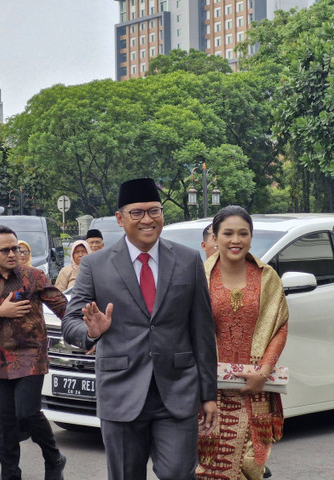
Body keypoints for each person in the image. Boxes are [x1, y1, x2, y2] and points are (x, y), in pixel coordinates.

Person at [62, 177, 218, 480]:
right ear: (120, 219)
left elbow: (202, 329)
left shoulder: (187, 260)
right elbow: (70, 323)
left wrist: (208, 393)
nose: (147, 220)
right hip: (121, 391)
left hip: (177, 391)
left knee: (178, 473)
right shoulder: (96, 264)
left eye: (154, 211)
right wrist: (93, 332)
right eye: (137, 213)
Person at [0, 225, 68, 480]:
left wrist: (87, 331)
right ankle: (10, 475)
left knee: (27, 412)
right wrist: (0, 312)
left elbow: (63, 308)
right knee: (4, 423)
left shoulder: (34, 277)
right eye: (6, 250)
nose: (13, 253)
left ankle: (53, 456)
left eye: (16, 248)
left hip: (31, 354)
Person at [197, 205, 288, 480]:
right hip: (212, 389)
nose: (235, 240)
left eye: (243, 233)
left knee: (250, 464)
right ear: (215, 236)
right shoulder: (199, 277)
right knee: (213, 464)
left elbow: (280, 327)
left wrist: (263, 372)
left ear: (251, 236)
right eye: (228, 233)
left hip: (255, 386)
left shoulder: (267, 276)